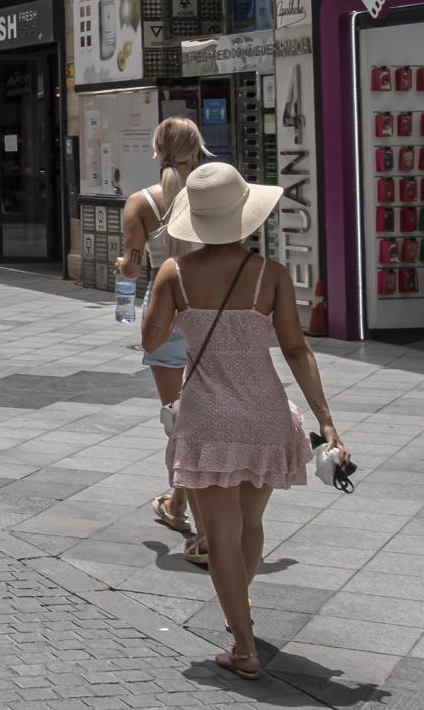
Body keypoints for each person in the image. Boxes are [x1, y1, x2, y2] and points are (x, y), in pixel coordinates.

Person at [142, 162, 347, 682]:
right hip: (266, 414)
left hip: (208, 419)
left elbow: (150, 341)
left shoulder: (176, 273)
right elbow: (298, 351)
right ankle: (241, 613)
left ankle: (243, 644)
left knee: (221, 535)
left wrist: (159, 281)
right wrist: (327, 420)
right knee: (250, 524)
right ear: (245, 217)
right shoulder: (270, 275)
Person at [115, 117, 212, 564]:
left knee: (181, 421)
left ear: (157, 150)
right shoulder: (218, 191)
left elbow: (133, 270)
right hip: (217, 310)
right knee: (207, 420)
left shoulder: (141, 203)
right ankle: (178, 505)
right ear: (199, 148)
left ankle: (206, 529)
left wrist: (123, 267)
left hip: (168, 311)